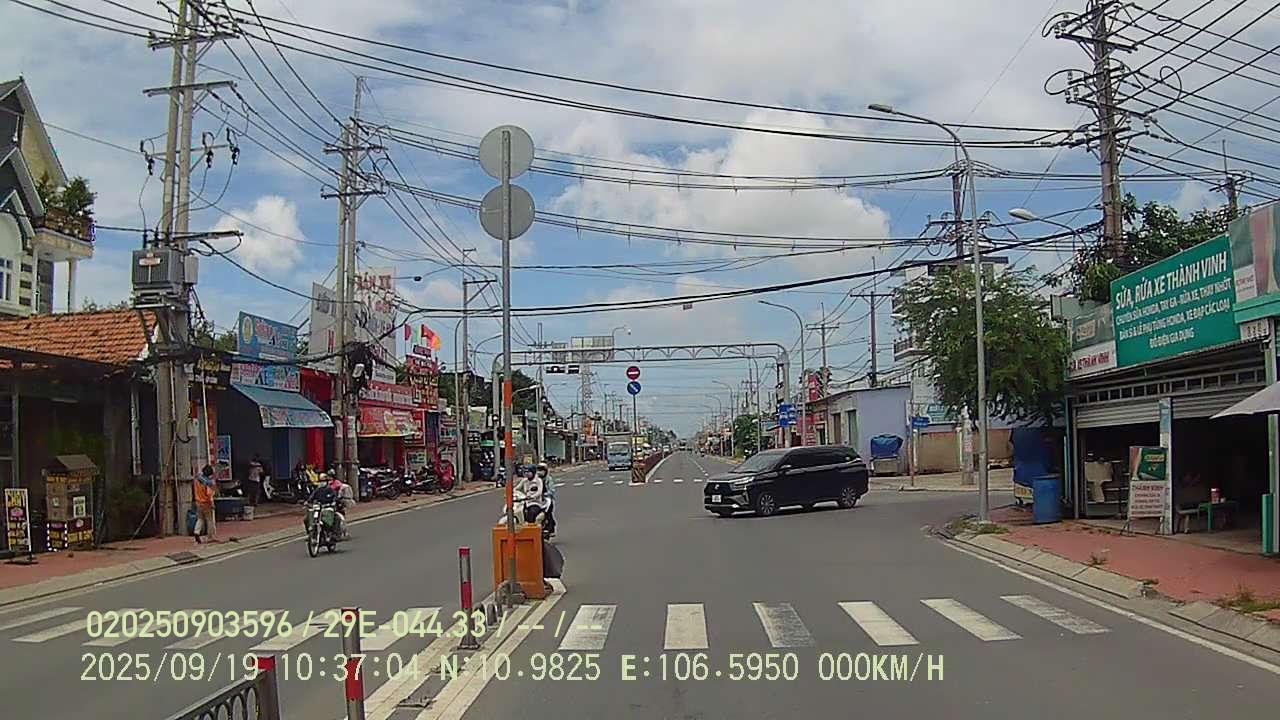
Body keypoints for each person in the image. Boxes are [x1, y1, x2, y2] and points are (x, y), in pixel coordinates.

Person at [193, 464, 217, 544]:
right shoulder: (208, 483)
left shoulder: (197, 479)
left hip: (198, 501)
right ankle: (210, 536)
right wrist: (212, 504)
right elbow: (209, 494)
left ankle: (196, 532)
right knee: (209, 520)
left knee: (200, 518)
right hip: (206, 503)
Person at [537, 462, 556, 536]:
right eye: (539, 470)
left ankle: (551, 529)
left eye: (542, 470)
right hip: (537, 498)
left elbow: (552, 491)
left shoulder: (548, 479)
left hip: (547, 499)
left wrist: (545, 494)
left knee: (548, 513)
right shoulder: (536, 479)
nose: (540, 472)